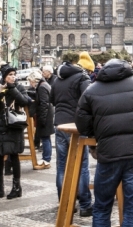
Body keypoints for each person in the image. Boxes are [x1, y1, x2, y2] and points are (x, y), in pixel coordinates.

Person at [76, 59, 133, 227]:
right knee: (132, 209)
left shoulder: (91, 90)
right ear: (126, 69)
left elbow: (81, 123)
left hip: (108, 153)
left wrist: (95, 134)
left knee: (102, 206)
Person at [51, 58, 93, 216]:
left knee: (62, 166)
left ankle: (65, 203)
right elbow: (89, 98)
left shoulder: (57, 79)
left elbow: (52, 100)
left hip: (60, 125)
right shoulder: (81, 77)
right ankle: (85, 205)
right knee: (82, 166)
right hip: (76, 125)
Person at [0, 66, 32, 199]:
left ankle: (16, 187)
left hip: (14, 125)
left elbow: (24, 101)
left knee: (14, 155)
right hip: (0, 125)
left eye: (14, 74)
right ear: (4, 76)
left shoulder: (18, 87)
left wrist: (12, 87)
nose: (13, 77)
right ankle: (0, 188)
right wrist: (0, 94)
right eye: (10, 75)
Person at [28, 69, 53, 166]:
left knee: (45, 138)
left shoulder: (42, 87)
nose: (30, 84)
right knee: (46, 137)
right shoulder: (44, 84)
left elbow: (44, 103)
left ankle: (46, 159)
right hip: (48, 114)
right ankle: (46, 158)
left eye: (30, 81)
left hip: (45, 115)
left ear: (34, 80)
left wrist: (42, 119)